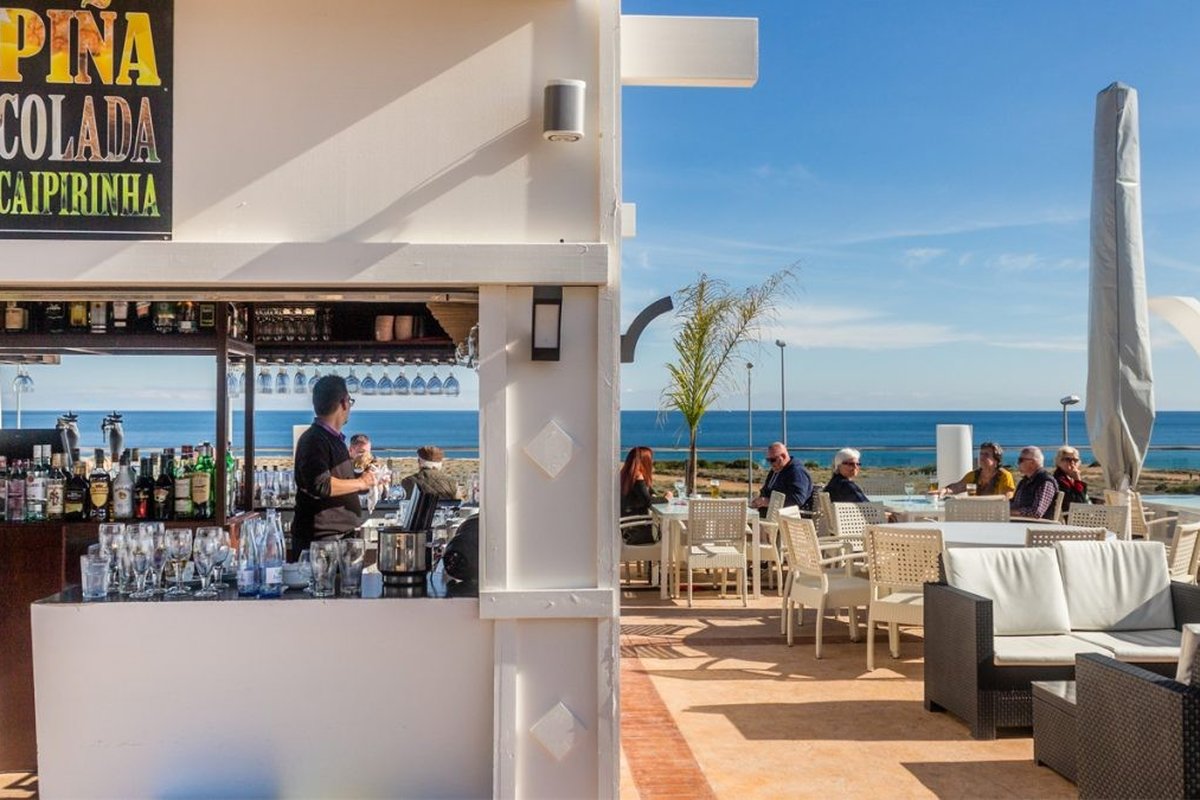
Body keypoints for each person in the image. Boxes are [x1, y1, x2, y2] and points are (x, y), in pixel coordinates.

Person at [291, 376, 377, 560]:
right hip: (323, 543)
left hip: (337, 538)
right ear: (344, 403)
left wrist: (368, 481)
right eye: (350, 402)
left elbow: (339, 482)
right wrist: (361, 483)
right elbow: (320, 484)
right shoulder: (315, 440)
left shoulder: (332, 440)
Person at [619, 446, 671, 545]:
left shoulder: (625, 475)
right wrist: (666, 498)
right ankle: (665, 555)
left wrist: (654, 494)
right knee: (669, 530)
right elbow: (648, 502)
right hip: (638, 529)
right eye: (651, 459)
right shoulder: (637, 476)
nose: (652, 461)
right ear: (645, 460)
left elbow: (647, 492)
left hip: (627, 528)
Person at [751, 442, 814, 517]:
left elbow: (797, 499)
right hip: (771, 514)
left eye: (773, 460)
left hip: (789, 516)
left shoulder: (797, 472)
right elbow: (766, 490)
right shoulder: (776, 470)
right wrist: (758, 501)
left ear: (783, 456)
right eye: (768, 460)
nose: (770, 463)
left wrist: (769, 502)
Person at [941, 441, 1016, 498]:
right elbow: (957, 487)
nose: (982, 457)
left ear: (996, 460)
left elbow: (1007, 498)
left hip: (995, 512)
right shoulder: (974, 475)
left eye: (986, 455)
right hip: (975, 510)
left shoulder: (1004, 475)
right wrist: (945, 490)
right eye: (981, 454)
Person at [1010, 446, 1058, 519]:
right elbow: (1014, 503)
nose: (1018, 463)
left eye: (1020, 460)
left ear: (1032, 462)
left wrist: (1009, 512)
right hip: (1020, 521)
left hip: (1037, 524)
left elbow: (1036, 512)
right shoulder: (1024, 481)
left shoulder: (1045, 481)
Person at [1052, 445, 1090, 511]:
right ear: (1059, 462)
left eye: (1075, 460)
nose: (1072, 463)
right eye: (1068, 459)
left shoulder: (1070, 477)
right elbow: (1079, 503)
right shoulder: (1059, 480)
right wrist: (1078, 481)